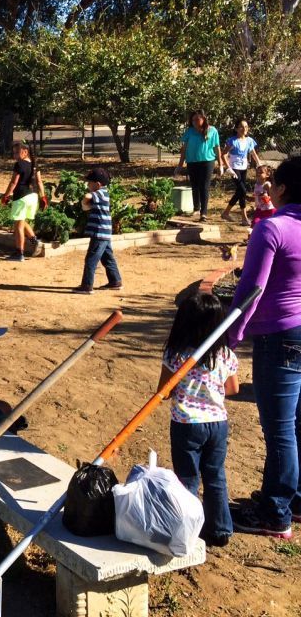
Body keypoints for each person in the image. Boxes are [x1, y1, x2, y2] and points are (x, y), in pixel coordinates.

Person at [228, 155, 301, 538]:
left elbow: (251, 290)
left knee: (281, 430)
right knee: (299, 424)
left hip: (280, 338)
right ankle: (296, 499)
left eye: (273, 181)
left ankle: (275, 513)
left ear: (283, 188)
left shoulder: (273, 229)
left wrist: (232, 335)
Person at [157, 291, 239, 547]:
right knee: (215, 476)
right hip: (217, 423)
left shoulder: (176, 355)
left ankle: (187, 530)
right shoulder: (225, 354)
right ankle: (220, 529)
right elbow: (233, 389)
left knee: (188, 478)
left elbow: (164, 390)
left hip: (185, 424)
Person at [73, 167, 123, 294]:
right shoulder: (103, 194)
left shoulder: (100, 193)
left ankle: (87, 285)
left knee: (91, 259)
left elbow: (87, 196)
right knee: (107, 258)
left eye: (90, 183)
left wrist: (84, 204)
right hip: (104, 233)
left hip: (99, 232)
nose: (88, 185)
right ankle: (115, 281)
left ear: (98, 184)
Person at [0, 141, 48, 261]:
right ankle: (35, 241)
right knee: (21, 221)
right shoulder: (35, 164)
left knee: (18, 226)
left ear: (25, 152)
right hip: (33, 197)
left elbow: (13, 182)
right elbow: (40, 182)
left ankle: (19, 253)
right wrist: (43, 197)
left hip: (21, 197)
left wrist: (5, 196)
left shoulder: (19, 165)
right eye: (14, 152)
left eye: (17, 152)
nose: (14, 155)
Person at [176, 110, 224, 221]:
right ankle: (196, 209)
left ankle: (204, 212)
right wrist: (180, 165)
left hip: (207, 162)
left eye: (197, 119)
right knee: (195, 186)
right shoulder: (189, 131)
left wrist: (221, 164)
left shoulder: (212, 131)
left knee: (204, 186)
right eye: (193, 120)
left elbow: (217, 148)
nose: (195, 122)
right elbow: (184, 149)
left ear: (203, 119)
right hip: (192, 162)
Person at [221, 120, 261, 224]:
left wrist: (259, 163)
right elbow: (223, 154)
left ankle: (242, 218)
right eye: (241, 127)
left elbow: (253, 153)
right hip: (234, 168)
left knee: (240, 192)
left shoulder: (249, 140)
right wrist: (228, 167)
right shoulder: (232, 141)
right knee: (242, 191)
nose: (244, 129)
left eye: (246, 126)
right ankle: (227, 213)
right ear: (236, 129)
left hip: (244, 168)